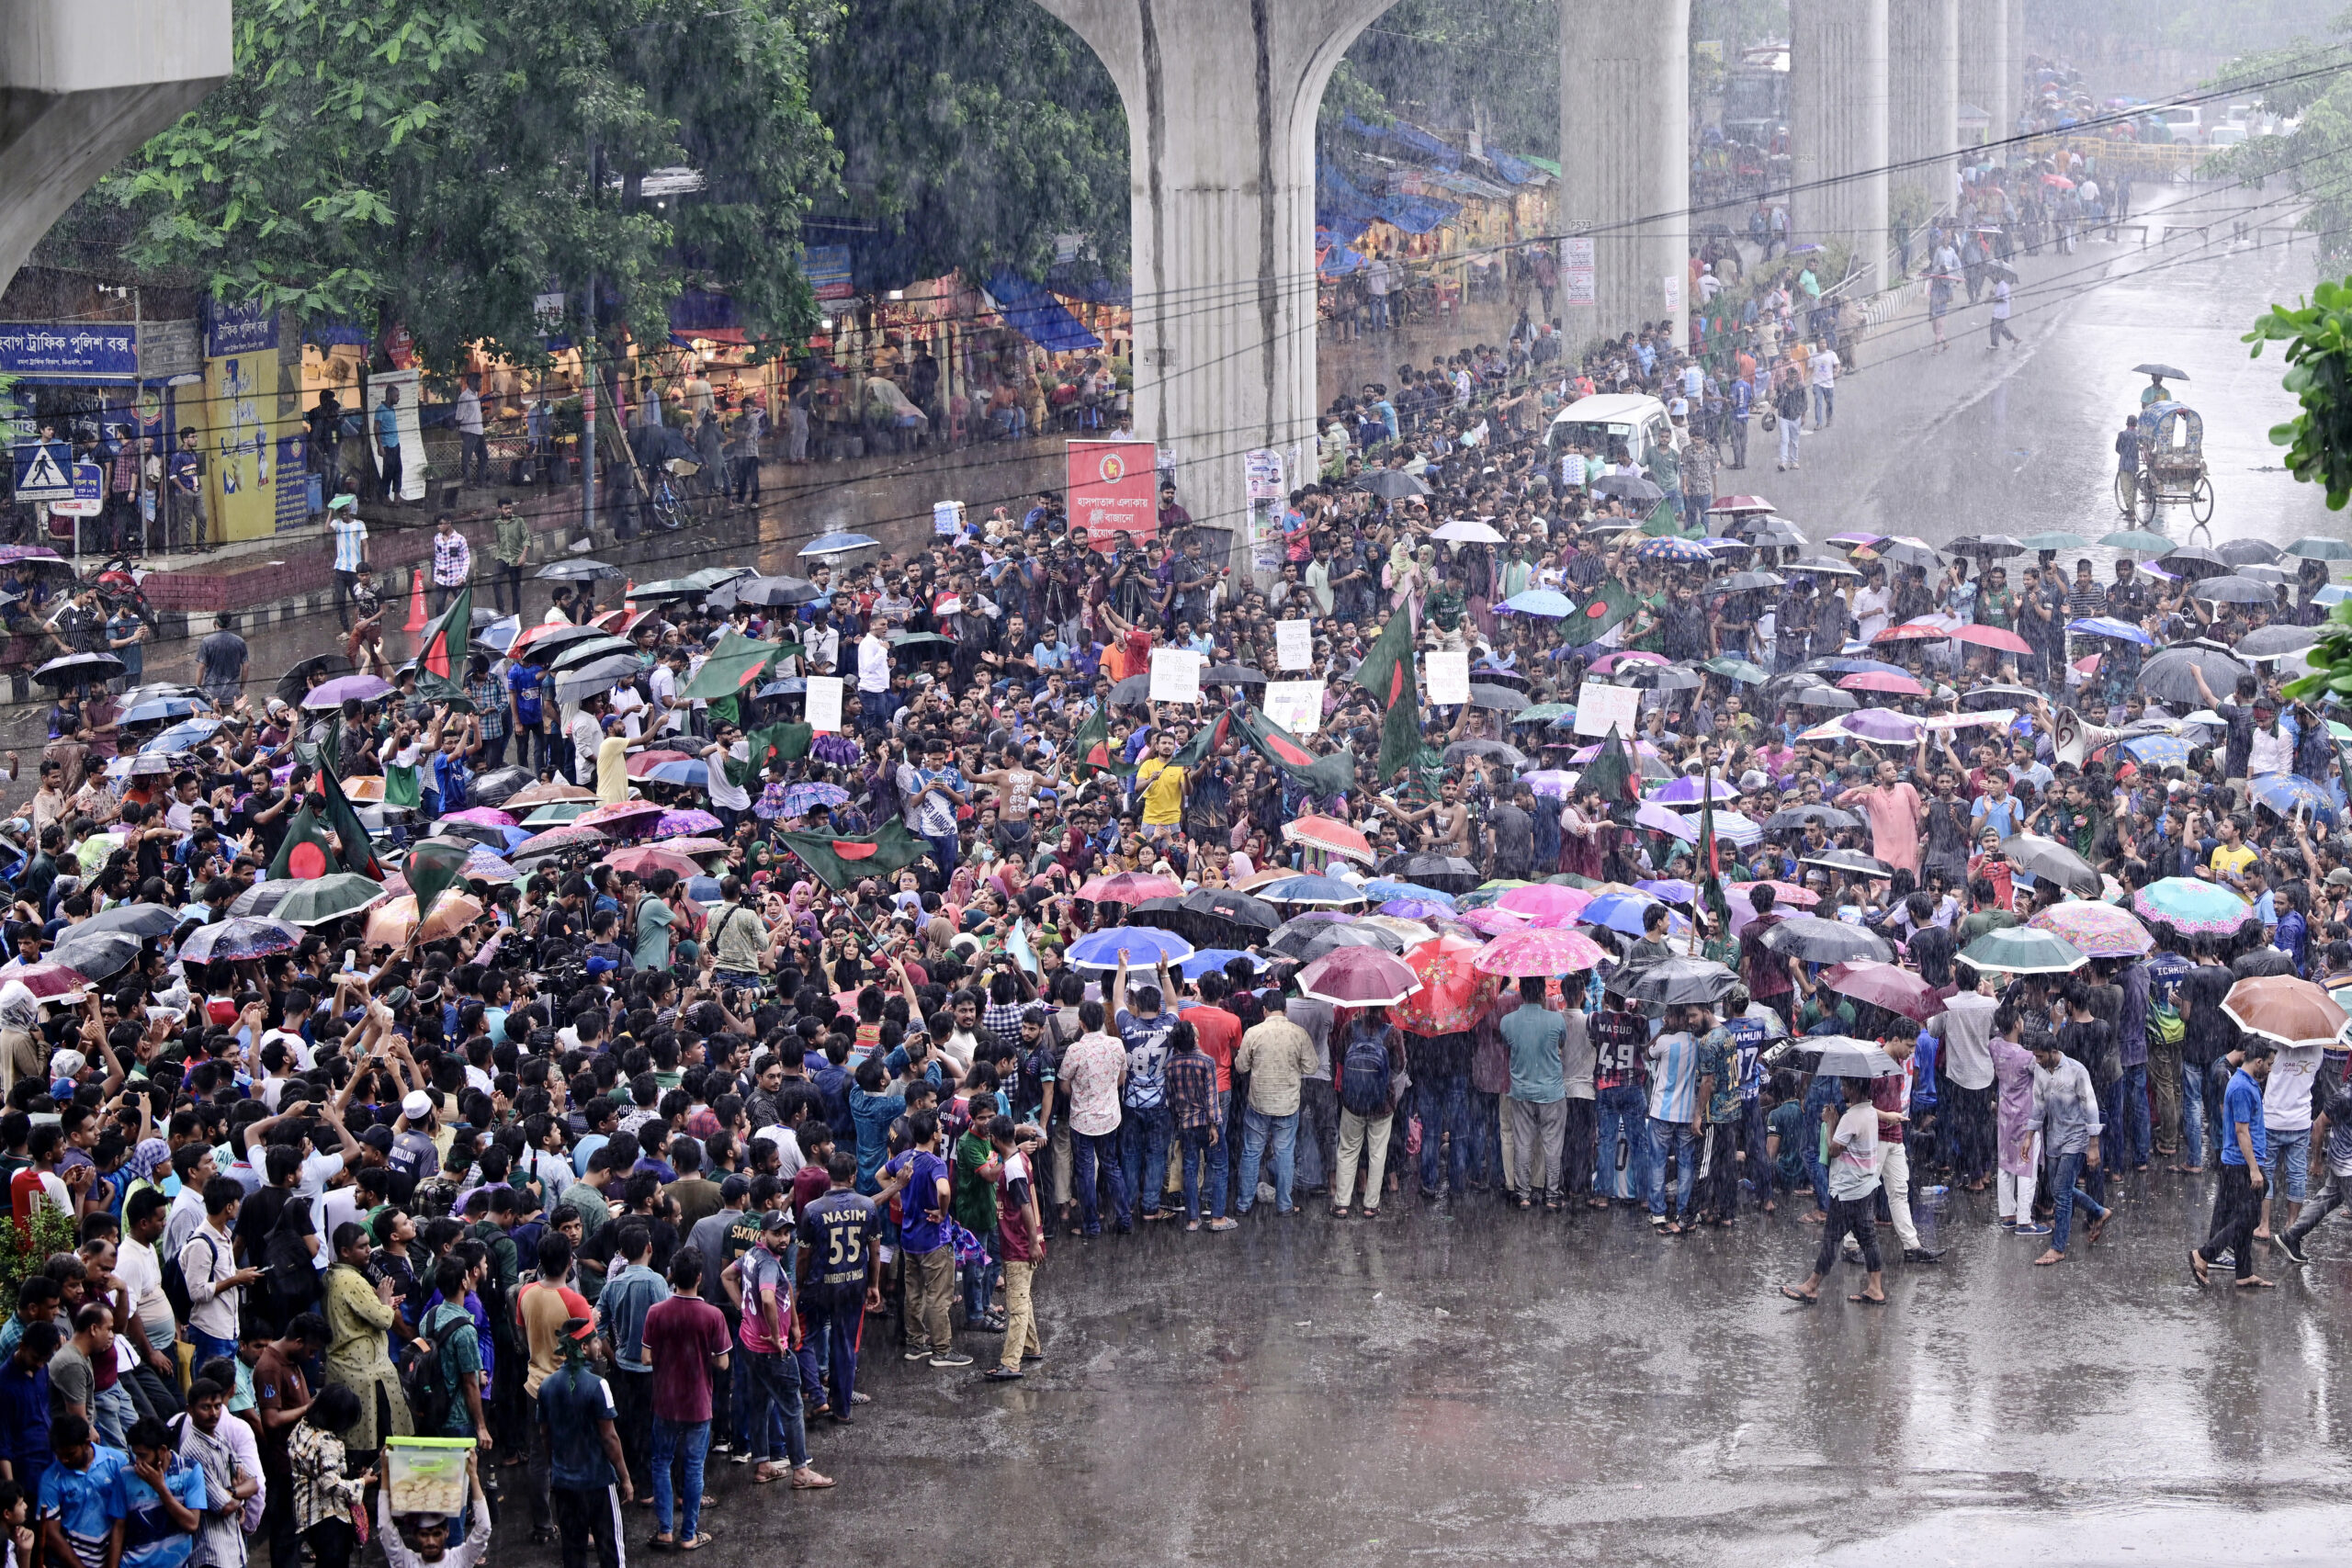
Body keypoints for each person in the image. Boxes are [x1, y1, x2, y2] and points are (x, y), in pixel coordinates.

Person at [1779, 1076, 1886, 1306]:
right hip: (1865, 1185)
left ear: (1855, 1089)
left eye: (1845, 1085)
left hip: (1848, 1190)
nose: (1841, 1088)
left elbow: (1834, 1150)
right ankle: (1875, 1288)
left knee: (1831, 1239)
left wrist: (1829, 1123)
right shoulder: (1869, 1112)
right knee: (1868, 1238)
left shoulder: (1851, 1118)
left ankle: (1811, 1286)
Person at [536, 1318, 630, 1568]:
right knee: (611, 1551)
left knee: (573, 1552)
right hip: (598, 1482)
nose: (600, 1345)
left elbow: (545, 1435)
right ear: (584, 1348)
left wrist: (554, 1467)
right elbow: (609, 1438)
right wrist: (626, 1477)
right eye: (596, 1340)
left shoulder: (546, 1386)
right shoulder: (599, 1385)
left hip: (566, 1484)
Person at [2192, 1042, 2277, 1289]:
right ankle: (2204, 1254)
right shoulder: (2241, 1088)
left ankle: (2244, 1272)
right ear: (2258, 1061)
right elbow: (2241, 1132)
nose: (2271, 1069)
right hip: (2240, 1164)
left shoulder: (2247, 1084)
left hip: (2241, 1162)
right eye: (2269, 1064)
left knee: (2244, 1217)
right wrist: (2253, 1169)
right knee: (2247, 1219)